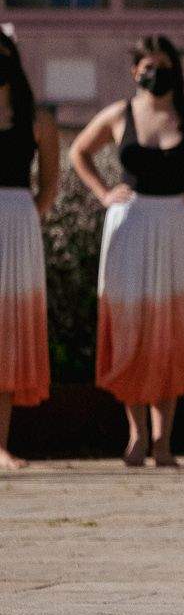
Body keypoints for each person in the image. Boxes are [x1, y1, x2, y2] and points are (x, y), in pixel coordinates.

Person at [69, 34, 184, 467]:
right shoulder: (119, 114)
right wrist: (103, 193)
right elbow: (79, 152)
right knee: (133, 327)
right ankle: (137, 434)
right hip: (130, 224)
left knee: (171, 331)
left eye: (163, 65)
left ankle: (163, 441)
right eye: (147, 66)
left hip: (181, 224)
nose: (155, 73)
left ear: (176, 69)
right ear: (135, 71)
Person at [0, 36, 57, 469]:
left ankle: (0, 445)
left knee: (7, 334)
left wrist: (23, 216)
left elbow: (50, 184)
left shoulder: (37, 120)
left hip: (16, 227)